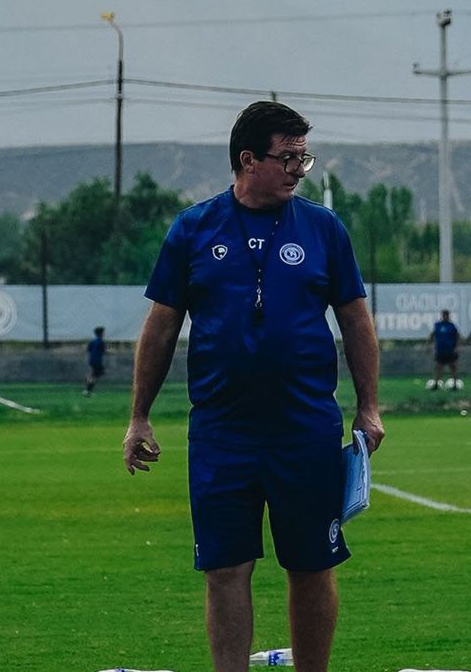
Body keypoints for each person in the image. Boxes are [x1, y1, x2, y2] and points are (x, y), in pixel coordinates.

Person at [122, 101, 384, 672]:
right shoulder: (193, 229)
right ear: (248, 160)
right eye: (288, 157)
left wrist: (369, 406)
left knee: (312, 565)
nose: (298, 168)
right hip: (222, 434)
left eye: (302, 158)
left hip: (305, 431)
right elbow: (161, 326)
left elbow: (356, 320)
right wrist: (139, 416)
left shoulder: (324, 228)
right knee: (225, 568)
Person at [426, 309, 461, 390]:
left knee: (453, 367)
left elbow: (457, 337)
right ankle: (436, 384)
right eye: (444, 315)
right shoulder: (438, 325)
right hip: (440, 350)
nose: (445, 316)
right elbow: (432, 335)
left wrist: (456, 347)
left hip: (450, 350)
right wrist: (428, 345)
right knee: (439, 367)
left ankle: (455, 384)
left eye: (446, 315)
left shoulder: (452, 326)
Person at [84, 325, 106, 396]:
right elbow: (104, 351)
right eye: (103, 333)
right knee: (96, 375)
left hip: (91, 360)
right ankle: (88, 391)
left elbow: (88, 350)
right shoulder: (101, 342)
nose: (104, 334)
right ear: (101, 334)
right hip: (97, 361)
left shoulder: (92, 342)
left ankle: (88, 381)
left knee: (96, 374)